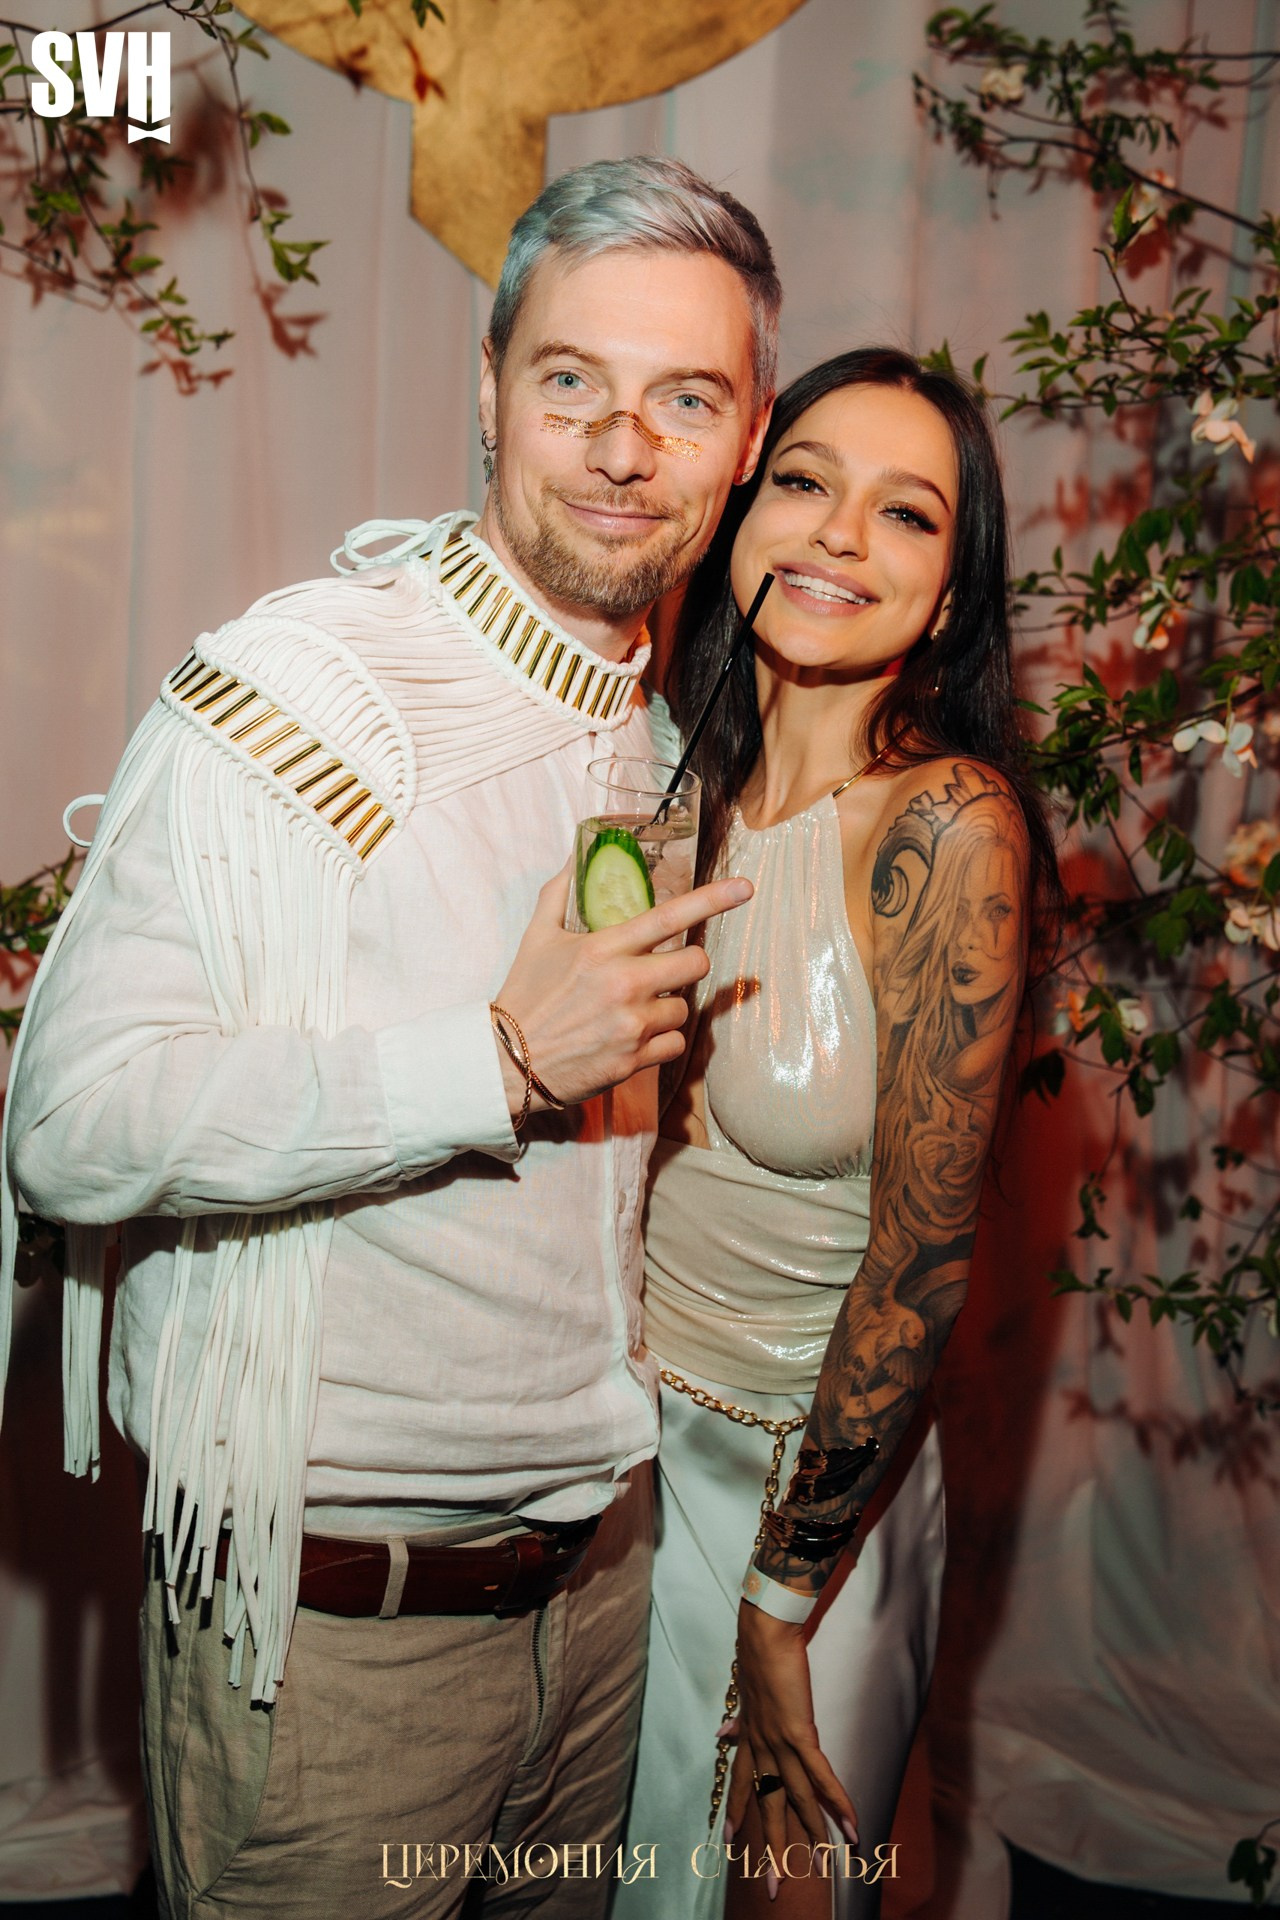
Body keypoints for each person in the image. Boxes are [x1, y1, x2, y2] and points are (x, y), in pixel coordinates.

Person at [0, 156, 779, 1920]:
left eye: (685, 398)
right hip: (333, 1643)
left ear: (745, 442)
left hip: (602, 1606)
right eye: (571, 380)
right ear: (488, 390)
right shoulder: (300, 697)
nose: (622, 445)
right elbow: (73, 1121)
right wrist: (491, 1060)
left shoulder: (668, 741)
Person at [620, 348, 1059, 1917]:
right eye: (804, 481)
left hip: (809, 1508)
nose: (838, 535)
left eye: (908, 512)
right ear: (742, 510)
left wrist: (783, 1595)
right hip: (623, 1477)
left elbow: (921, 1261)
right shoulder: (660, 783)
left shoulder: (950, 828)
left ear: (949, 596)